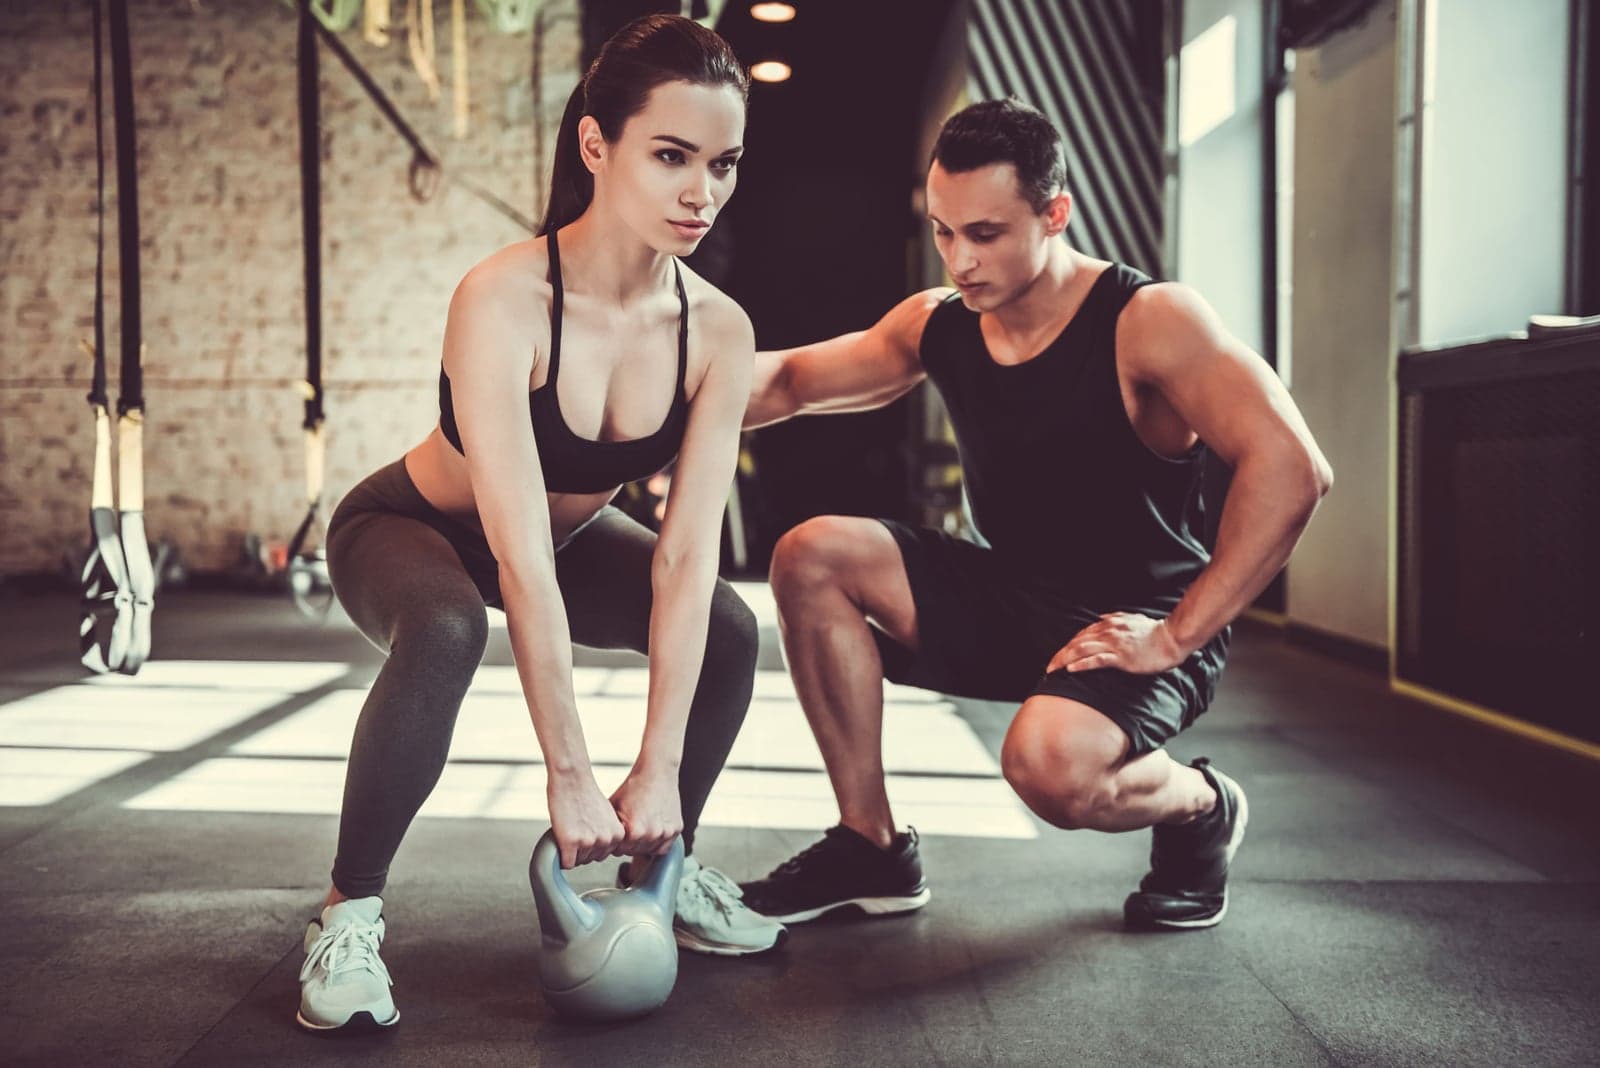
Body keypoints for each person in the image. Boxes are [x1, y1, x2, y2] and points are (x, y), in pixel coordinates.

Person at [737, 98, 1333, 934]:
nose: (959, 260)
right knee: (812, 554)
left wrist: (1176, 636)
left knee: (1050, 770)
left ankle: (1201, 806)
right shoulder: (939, 323)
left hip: (1139, 619)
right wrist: (631, 397)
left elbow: (1293, 467)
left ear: (1055, 213)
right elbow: (789, 382)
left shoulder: (1148, 322)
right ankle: (869, 844)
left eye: (985, 234)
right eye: (944, 232)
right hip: (1012, 594)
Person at [297, 14, 783, 1035]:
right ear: (596, 146)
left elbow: (688, 559)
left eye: (723, 163)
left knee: (732, 625)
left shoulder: (717, 329)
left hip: (558, 542)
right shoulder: (505, 298)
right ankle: (349, 911)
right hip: (410, 526)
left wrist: (653, 772)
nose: (702, 192)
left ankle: (667, 865)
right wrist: (569, 776)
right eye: (671, 157)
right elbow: (518, 559)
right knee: (446, 628)